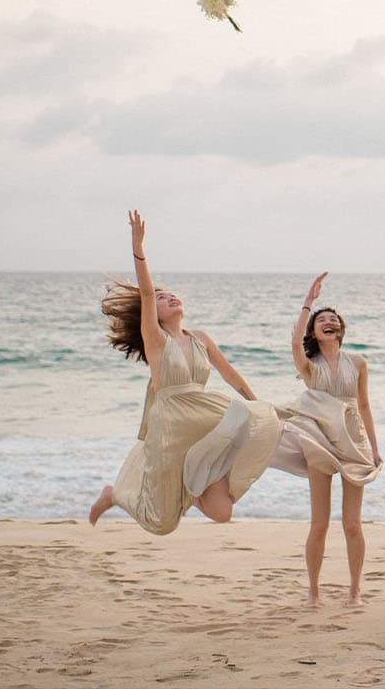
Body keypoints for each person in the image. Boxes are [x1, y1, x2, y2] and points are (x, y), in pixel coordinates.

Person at [88, 211, 282, 533]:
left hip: (204, 421)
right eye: (163, 298)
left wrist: (258, 406)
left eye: (172, 294)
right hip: (172, 430)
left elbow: (231, 376)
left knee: (222, 513)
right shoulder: (156, 340)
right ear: (155, 314)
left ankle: (197, 480)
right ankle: (115, 494)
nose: (169, 297)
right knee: (163, 525)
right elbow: (147, 293)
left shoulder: (201, 338)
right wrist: (139, 248)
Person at [269, 272, 384, 607]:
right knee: (319, 524)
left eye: (334, 318)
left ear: (341, 329)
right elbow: (293, 343)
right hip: (317, 441)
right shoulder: (309, 365)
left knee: (352, 525)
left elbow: (364, 406)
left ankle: (355, 591)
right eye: (322, 320)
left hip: (354, 443)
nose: (329, 321)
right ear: (314, 332)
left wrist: (375, 449)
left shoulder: (358, 363)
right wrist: (309, 302)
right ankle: (314, 591)